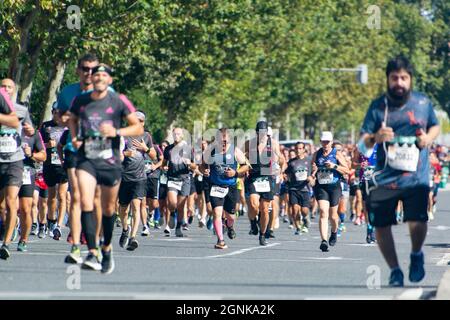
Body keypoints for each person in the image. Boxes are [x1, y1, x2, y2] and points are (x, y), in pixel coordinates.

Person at [360, 55, 440, 287]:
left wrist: (429, 138)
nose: (399, 83)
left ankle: (416, 254)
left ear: (410, 80)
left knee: (416, 220)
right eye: (394, 78)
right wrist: (375, 137)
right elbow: (362, 144)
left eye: (404, 78)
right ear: (387, 79)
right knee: (381, 225)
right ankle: (395, 270)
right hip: (385, 178)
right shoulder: (377, 107)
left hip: (415, 177)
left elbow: (435, 126)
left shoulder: (423, 103)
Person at [69, 64, 143, 273]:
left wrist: (116, 131)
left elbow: (137, 127)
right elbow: (72, 119)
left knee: (109, 208)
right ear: (92, 79)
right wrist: (75, 138)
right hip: (86, 157)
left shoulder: (118, 100)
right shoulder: (82, 100)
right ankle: (92, 252)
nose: (100, 78)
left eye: (104, 75)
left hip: (110, 161)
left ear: (109, 80)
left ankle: (107, 248)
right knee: (85, 200)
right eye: (96, 75)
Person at [201, 128, 249, 249]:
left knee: (231, 216)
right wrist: (205, 171)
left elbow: (246, 166)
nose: (223, 144)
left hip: (231, 186)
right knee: (217, 213)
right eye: (220, 141)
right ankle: (220, 240)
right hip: (215, 186)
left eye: (225, 142)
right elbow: (202, 166)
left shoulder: (235, 151)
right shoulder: (210, 151)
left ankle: (230, 225)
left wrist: (235, 173)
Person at [118, 111, 155, 251]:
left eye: (138, 120)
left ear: (142, 123)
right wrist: (124, 154)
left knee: (136, 206)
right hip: (124, 177)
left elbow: (154, 156)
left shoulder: (146, 136)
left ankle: (133, 238)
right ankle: (125, 229)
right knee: (123, 209)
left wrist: (145, 149)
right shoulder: (123, 135)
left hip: (140, 177)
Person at [244, 121, 284, 246]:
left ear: (267, 132)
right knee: (253, 205)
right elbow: (241, 156)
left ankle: (262, 234)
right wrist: (245, 164)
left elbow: (282, 159)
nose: (262, 134)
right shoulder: (249, 143)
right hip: (254, 176)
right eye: (259, 132)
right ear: (256, 132)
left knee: (265, 209)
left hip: (268, 176)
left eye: (264, 132)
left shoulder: (273, 143)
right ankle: (253, 222)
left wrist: (280, 169)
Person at [311, 131, 350, 252]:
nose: (325, 144)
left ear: (331, 142)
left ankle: (333, 232)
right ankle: (323, 241)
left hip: (334, 186)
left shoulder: (336, 154)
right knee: (323, 211)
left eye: (328, 142)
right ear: (321, 142)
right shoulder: (316, 154)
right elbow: (312, 166)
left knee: (333, 216)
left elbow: (347, 170)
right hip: (321, 186)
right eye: (323, 141)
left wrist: (334, 166)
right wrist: (313, 171)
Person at [162, 128, 197, 238]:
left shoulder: (188, 149)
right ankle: (172, 213)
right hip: (172, 178)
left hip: (184, 179)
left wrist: (189, 164)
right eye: (175, 133)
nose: (176, 135)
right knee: (172, 203)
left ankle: (178, 227)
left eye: (178, 134)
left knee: (181, 206)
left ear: (182, 136)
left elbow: (195, 166)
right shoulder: (168, 149)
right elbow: (163, 163)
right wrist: (164, 167)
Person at [0, 87, 21, 259]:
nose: (6, 89)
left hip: (14, 160)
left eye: (9, 87)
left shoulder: (21, 109)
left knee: (10, 201)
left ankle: (6, 243)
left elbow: (15, 122)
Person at [285, 142, 314, 235]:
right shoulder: (291, 162)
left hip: (305, 189)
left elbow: (315, 170)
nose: (298, 150)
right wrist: (285, 177)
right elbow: (286, 173)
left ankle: (306, 219)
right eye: (297, 148)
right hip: (293, 189)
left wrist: (312, 177)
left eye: (300, 148)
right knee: (295, 210)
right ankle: (298, 227)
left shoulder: (308, 161)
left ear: (304, 150)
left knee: (304, 210)